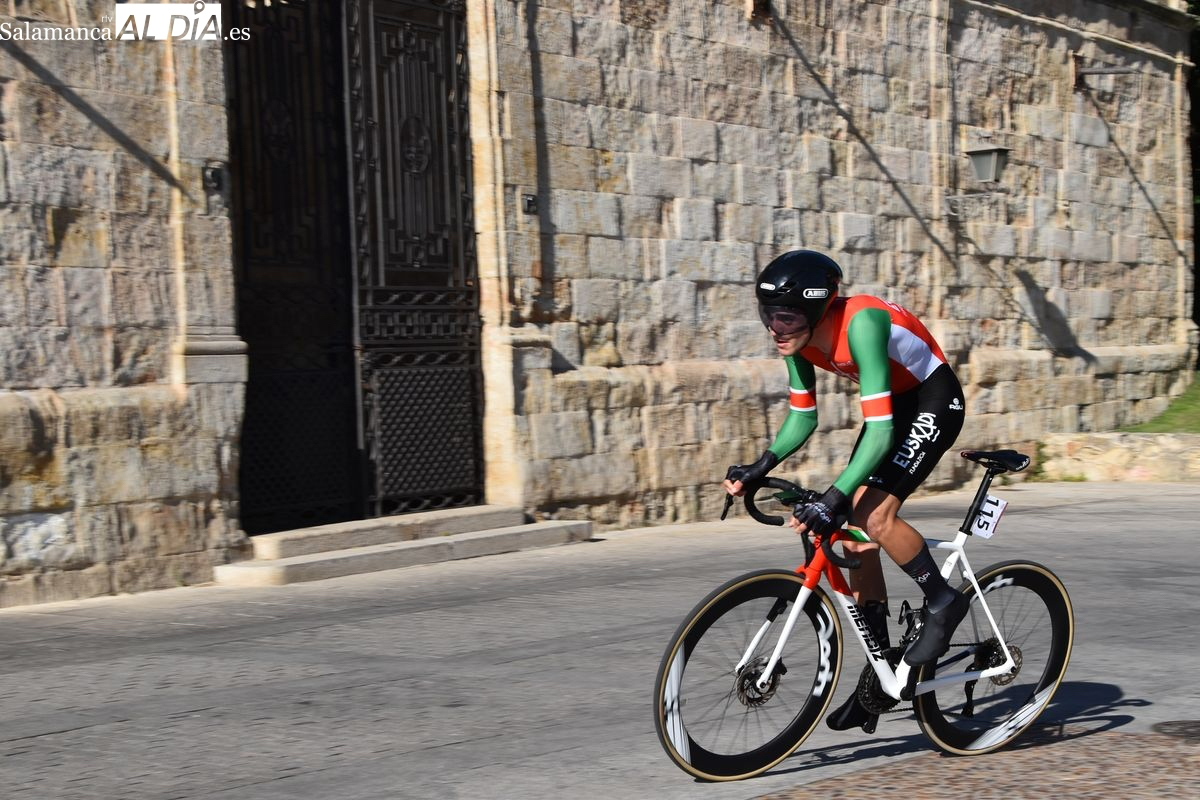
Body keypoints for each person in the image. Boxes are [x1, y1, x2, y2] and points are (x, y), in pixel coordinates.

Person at [722, 249, 968, 734]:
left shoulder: (862, 323)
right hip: (896, 408)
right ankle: (879, 679)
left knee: (873, 516)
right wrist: (761, 465)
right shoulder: (800, 339)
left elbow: (877, 432)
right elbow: (803, 415)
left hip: (933, 401)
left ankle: (943, 602)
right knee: (854, 540)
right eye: (769, 314)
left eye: (787, 315)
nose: (776, 326)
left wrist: (835, 496)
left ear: (816, 309)